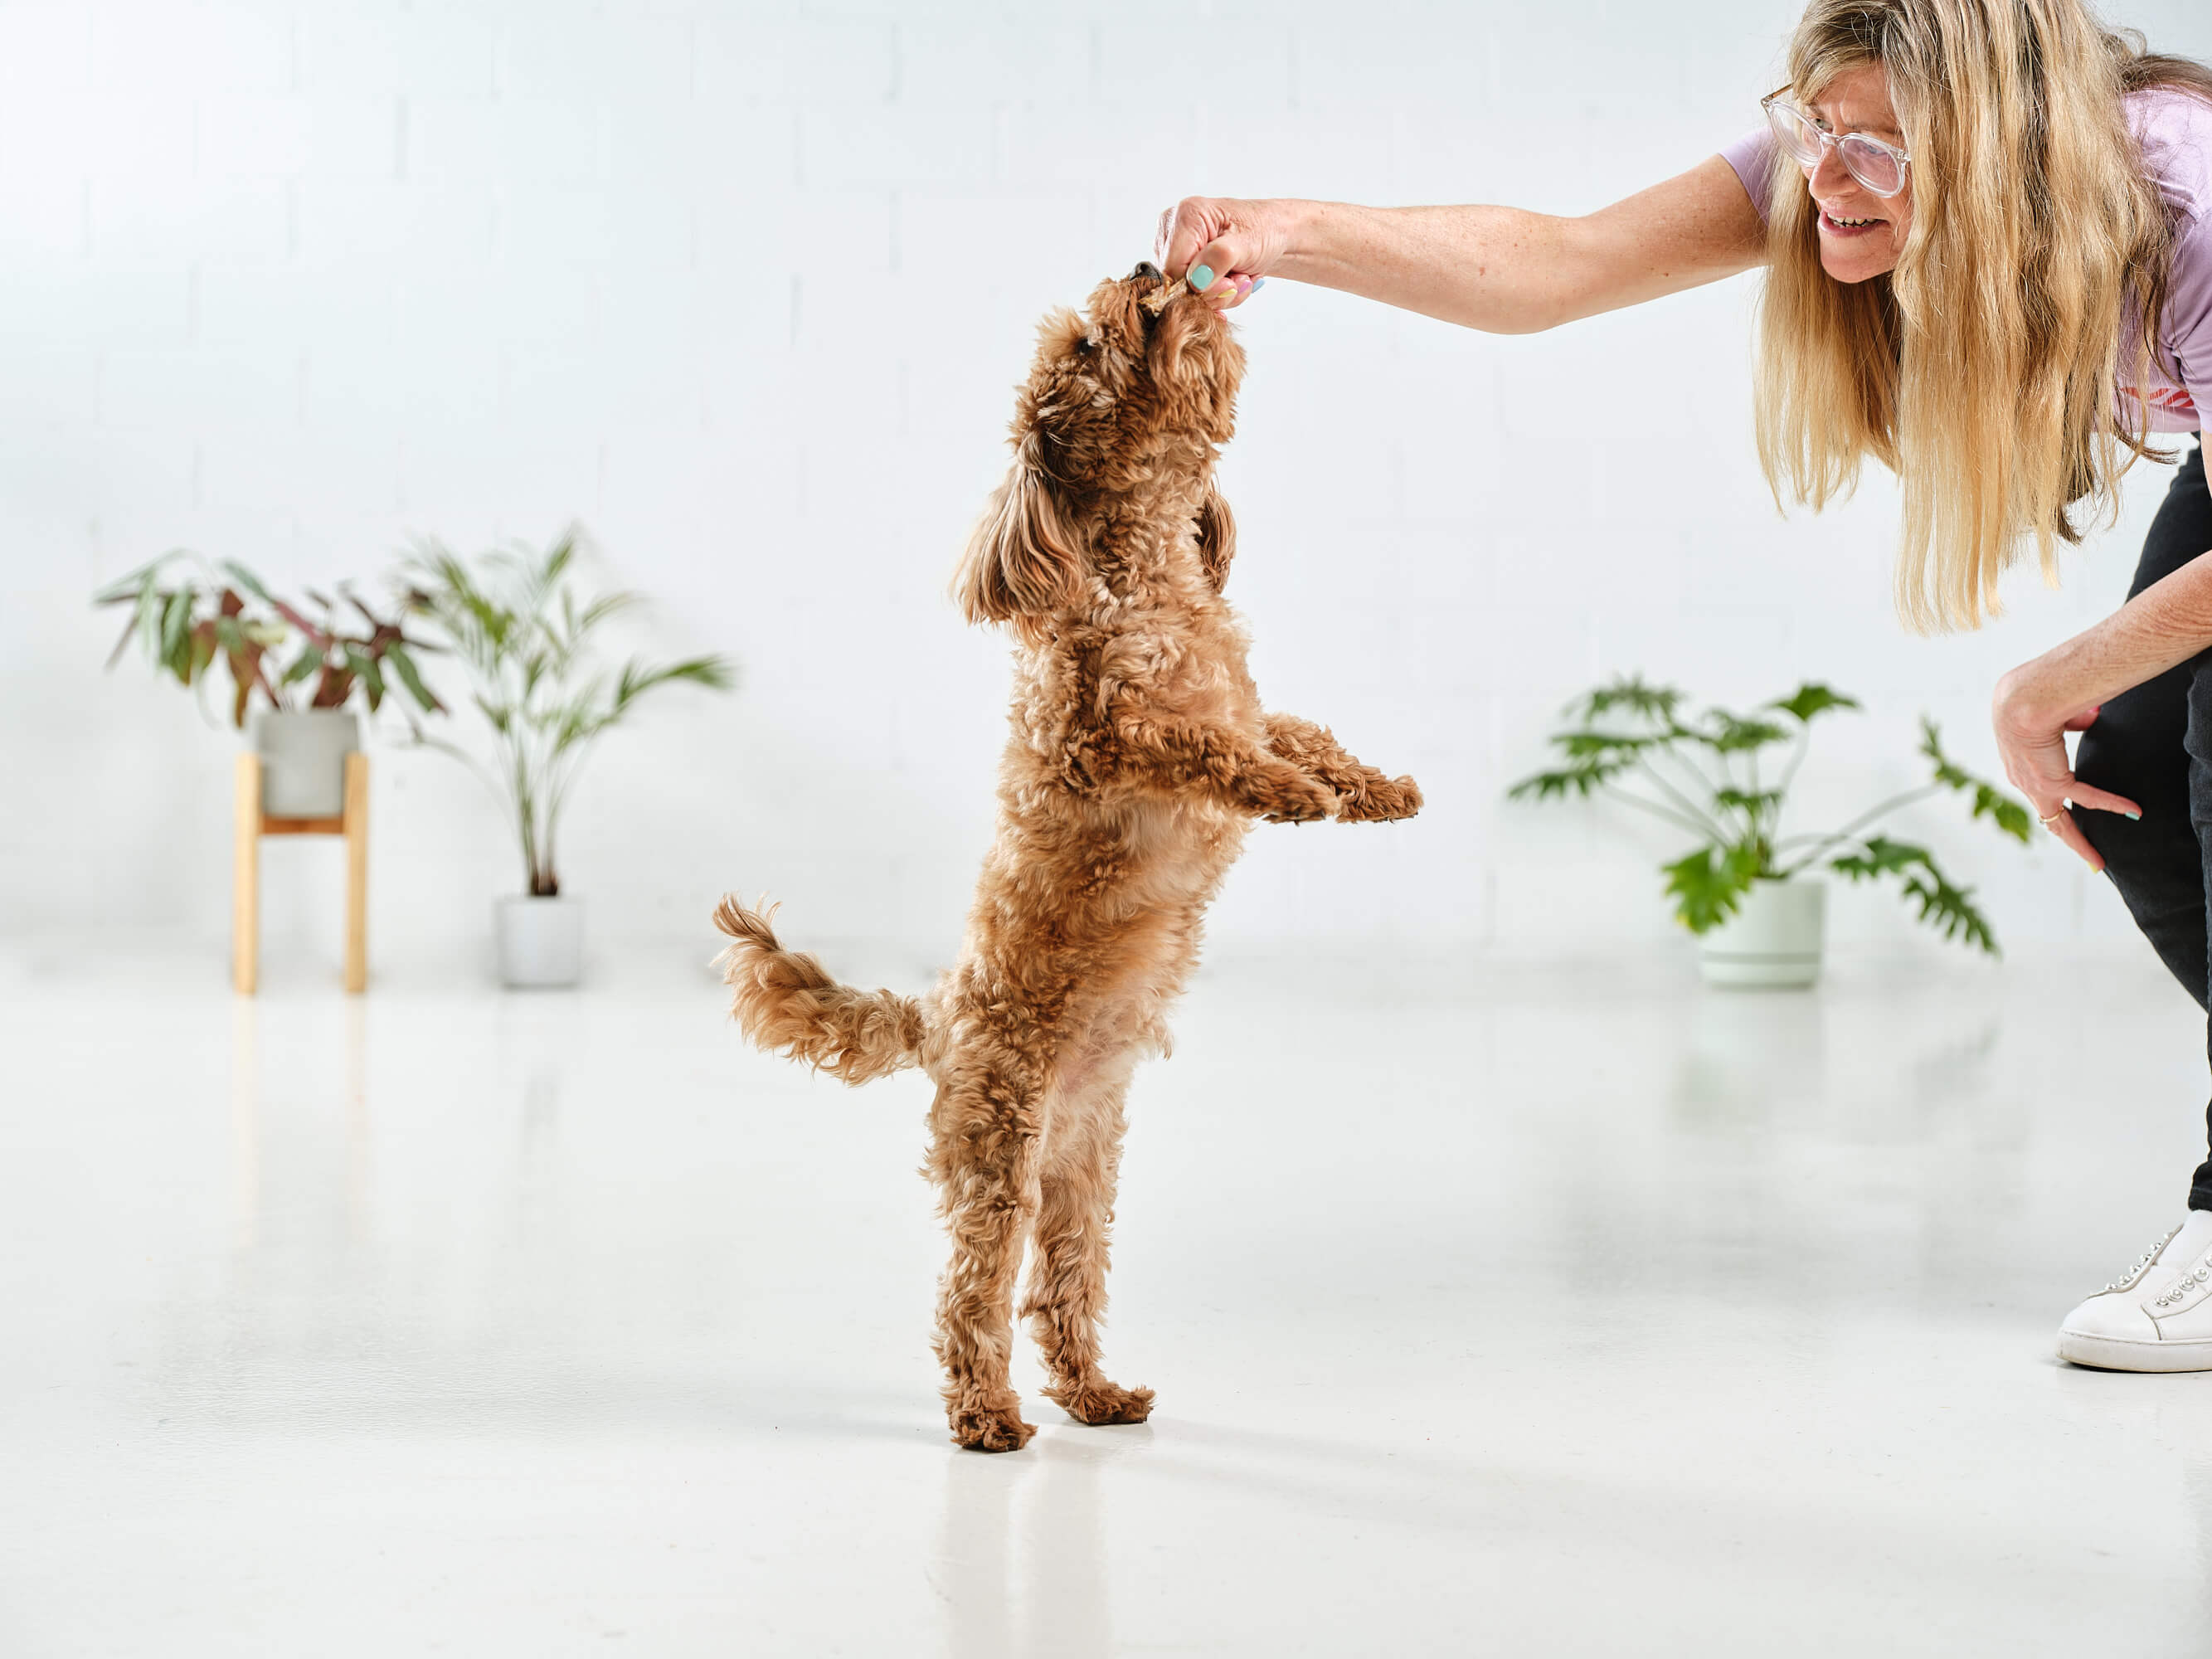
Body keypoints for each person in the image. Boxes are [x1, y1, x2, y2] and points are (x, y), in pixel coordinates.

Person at [1155, 0, 2212, 1370]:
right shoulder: (1851, 147)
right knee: (2129, 773)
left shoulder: (2180, 202)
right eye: (1822, 132)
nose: (1832, 179)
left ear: (2018, 159)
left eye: (1883, 153)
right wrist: (1283, 232)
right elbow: (1556, 266)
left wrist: (2044, 679)